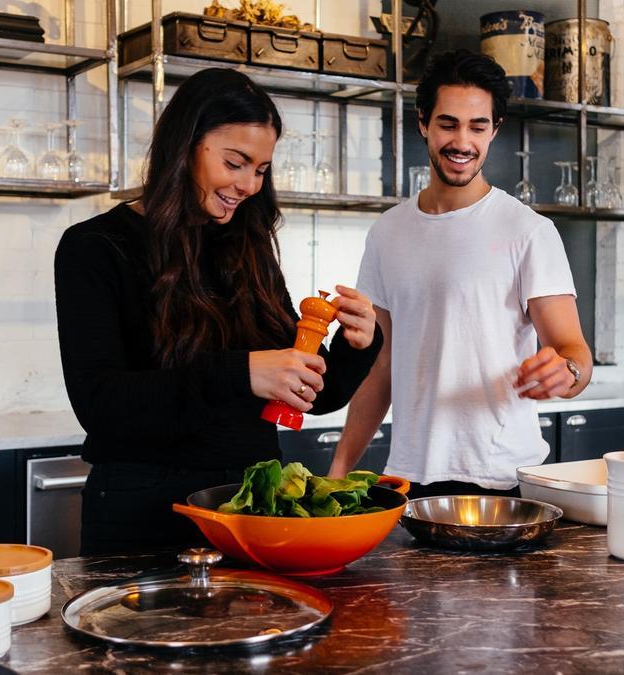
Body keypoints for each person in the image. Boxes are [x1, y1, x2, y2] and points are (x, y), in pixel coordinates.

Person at [54, 68, 383, 554]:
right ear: (185, 145)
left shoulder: (248, 247)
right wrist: (241, 373)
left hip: (251, 512)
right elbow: (101, 405)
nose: (249, 184)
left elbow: (310, 395)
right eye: (236, 162)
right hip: (142, 519)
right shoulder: (95, 247)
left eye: (261, 169)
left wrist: (356, 345)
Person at [328, 50, 593, 499]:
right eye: (448, 124)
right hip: (409, 480)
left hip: (502, 480)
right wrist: (337, 471)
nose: (462, 142)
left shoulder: (528, 231)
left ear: (495, 130)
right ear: (423, 124)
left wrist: (565, 372)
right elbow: (381, 366)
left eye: (478, 126)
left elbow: (574, 354)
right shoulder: (388, 231)